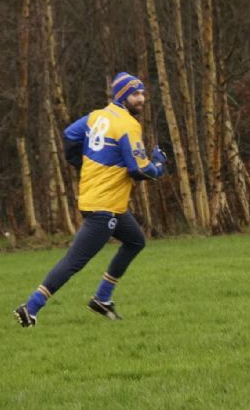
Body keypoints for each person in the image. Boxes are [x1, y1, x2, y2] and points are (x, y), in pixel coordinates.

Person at [13, 72, 167, 327]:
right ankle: (30, 307)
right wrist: (159, 166)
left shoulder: (96, 116)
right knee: (74, 261)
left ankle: (102, 299)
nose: (141, 99)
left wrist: (81, 163)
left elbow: (69, 135)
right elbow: (139, 170)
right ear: (122, 95)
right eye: (135, 94)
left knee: (135, 241)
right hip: (104, 207)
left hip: (101, 201)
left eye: (142, 94)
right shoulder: (127, 124)